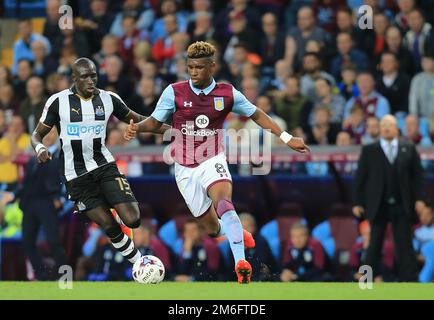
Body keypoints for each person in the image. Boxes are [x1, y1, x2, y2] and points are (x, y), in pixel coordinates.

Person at [124, 41, 310, 283]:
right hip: (183, 167)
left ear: (212, 66)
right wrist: (136, 128)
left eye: (199, 67)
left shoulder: (227, 93)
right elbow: (155, 122)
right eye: (189, 67)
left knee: (223, 201)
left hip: (212, 159)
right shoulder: (174, 91)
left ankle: (240, 262)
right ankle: (237, 232)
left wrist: (286, 138)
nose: (193, 72)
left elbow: (257, 114)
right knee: (212, 229)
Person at [31, 58, 171, 269]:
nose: (90, 80)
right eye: (85, 76)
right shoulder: (58, 102)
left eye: (93, 75)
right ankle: (139, 264)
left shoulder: (108, 99)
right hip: (75, 175)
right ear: (74, 78)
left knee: (133, 220)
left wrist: (175, 130)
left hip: (104, 166)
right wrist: (40, 148)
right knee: (108, 225)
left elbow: (139, 119)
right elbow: (36, 135)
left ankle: (114, 207)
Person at [353, 115, 423, 281]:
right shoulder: (369, 150)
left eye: (389, 125)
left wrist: (419, 199)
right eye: (382, 124)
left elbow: (418, 177)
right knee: (373, 244)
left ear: (396, 128)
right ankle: (365, 280)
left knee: (405, 244)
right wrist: (357, 202)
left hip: (402, 204)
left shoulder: (409, 148)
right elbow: (360, 179)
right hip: (378, 205)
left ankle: (410, 282)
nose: (385, 128)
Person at [16, 128, 67, 280]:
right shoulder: (33, 158)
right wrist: (15, 196)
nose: (48, 136)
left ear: (57, 136)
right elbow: (26, 183)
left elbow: (67, 179)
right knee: (27, 241)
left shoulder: (61, 156)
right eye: (46, 132)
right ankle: (41, 275)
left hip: (48, 202)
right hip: (30, 202)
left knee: (53, 241)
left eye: (52, 132)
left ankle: (64, 276)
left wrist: (62, 199)